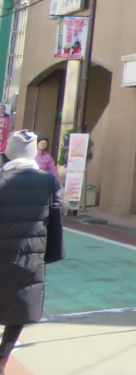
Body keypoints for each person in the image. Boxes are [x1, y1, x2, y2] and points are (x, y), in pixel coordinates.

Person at [0, 130, 63, 372]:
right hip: (29, 258)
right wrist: (51, 254)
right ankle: (2, 360)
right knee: (19, 310)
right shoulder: (48, 182)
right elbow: (56, 219)